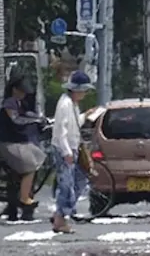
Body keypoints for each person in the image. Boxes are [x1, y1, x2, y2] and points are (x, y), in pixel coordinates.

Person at [0, 74, 47, 221]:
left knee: (36, 155)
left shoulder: (19, 102)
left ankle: (19, 200)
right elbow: (16, 119)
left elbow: (27, 114)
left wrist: (41, 118)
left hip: (14, 141)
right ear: (14, 90)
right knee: (29, 166)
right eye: (21, 91)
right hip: (5, 142)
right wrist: (35, 120)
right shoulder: (9, 103)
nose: (24, 94)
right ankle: (24, 198)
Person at [51, 71, 97, 233]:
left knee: (79, 180)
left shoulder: (72, 104)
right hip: (66, 149)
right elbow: (60, 131)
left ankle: (61, 213)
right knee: (66, 185)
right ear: (76, 90)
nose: (84, 94)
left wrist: (86, 115)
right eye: (83, 90)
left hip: (72, 147)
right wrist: (66, 152)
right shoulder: (65, 105)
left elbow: (74, 123)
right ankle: (61, 219)